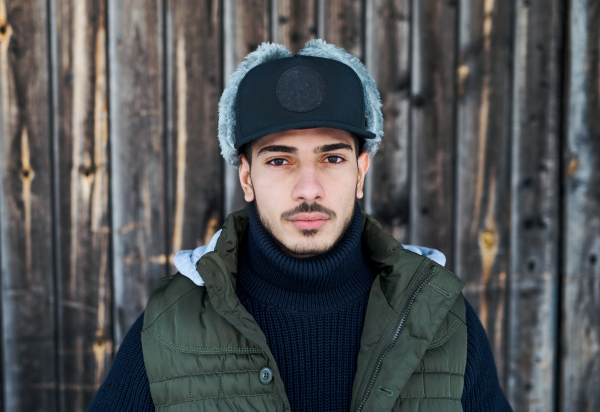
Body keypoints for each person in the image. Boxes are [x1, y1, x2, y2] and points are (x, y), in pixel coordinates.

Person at [88, 39, 512, 412]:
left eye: (332, 158)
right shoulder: (170, 323)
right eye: (279, 160)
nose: (308, 189)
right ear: (247, 178)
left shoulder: (439, 317)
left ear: (360, 173)